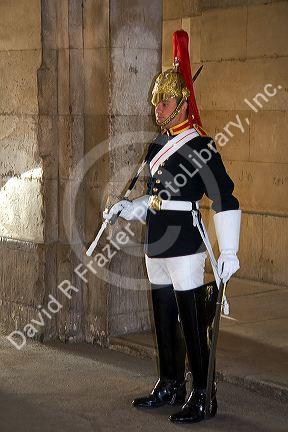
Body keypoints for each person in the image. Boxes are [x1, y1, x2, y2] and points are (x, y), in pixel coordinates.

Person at [103, 30, 241, 424]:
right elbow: (157, 199)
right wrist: (127, 209)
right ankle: (169, 383)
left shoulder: (202, 147)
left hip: (185, 245)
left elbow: (225, 198)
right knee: (163, 318)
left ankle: (202, 392)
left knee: (192, 322)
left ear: (182, 103)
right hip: (156, 244)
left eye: (164, 101)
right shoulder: (155, 148)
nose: (157, 108)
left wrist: (228, 252)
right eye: (156, 101)